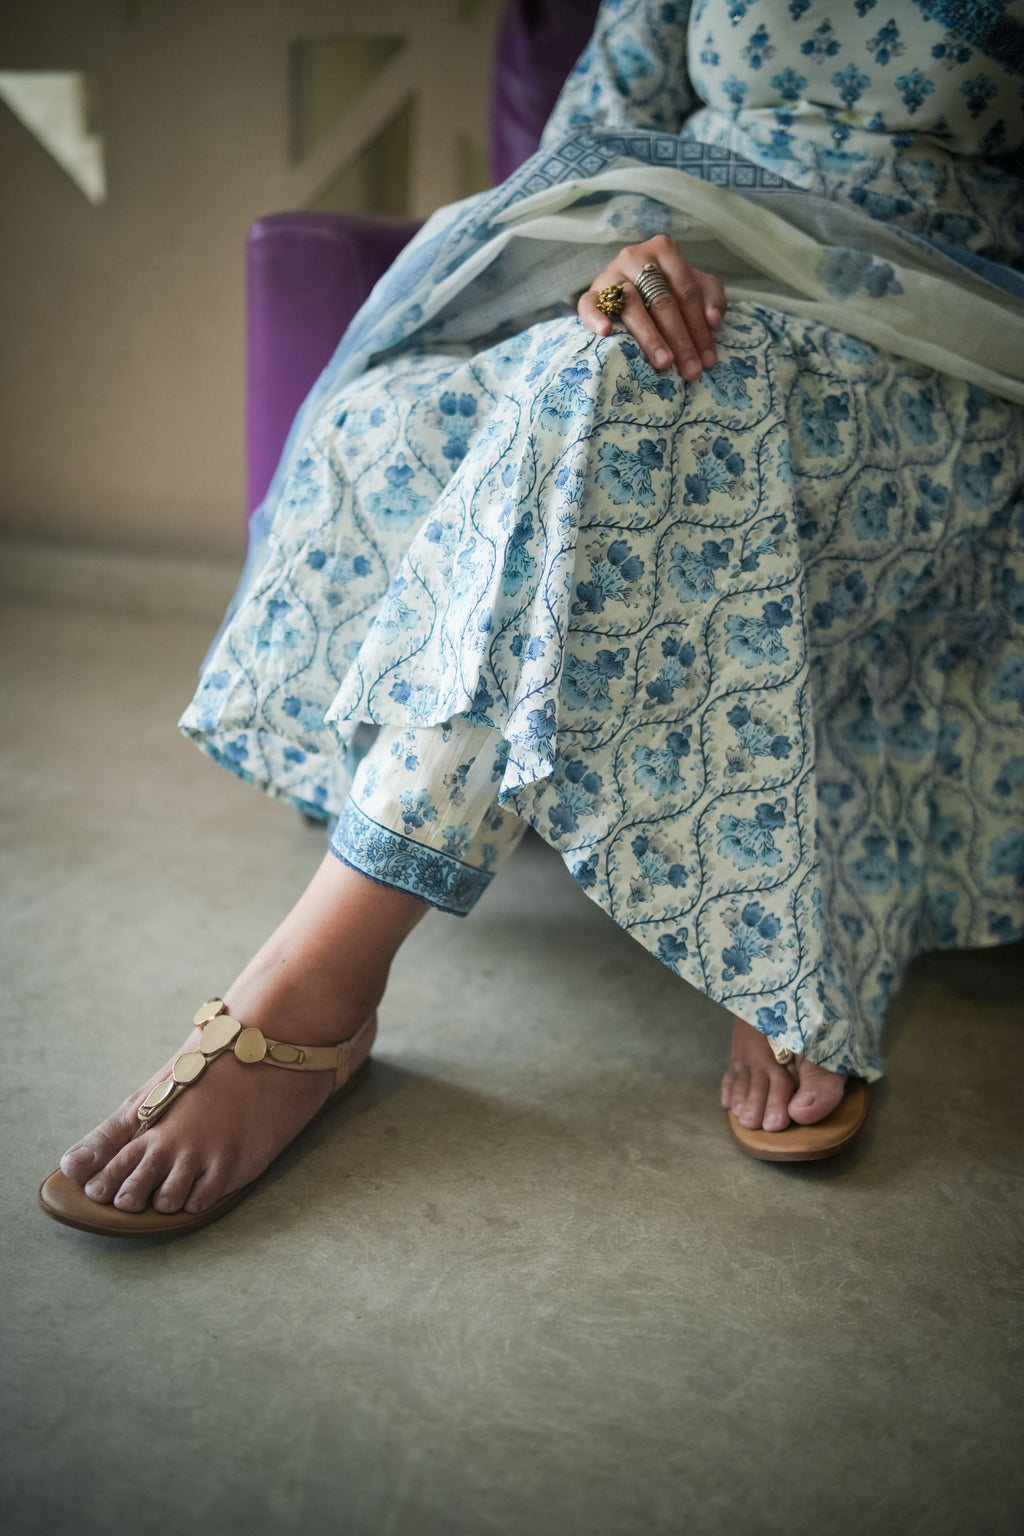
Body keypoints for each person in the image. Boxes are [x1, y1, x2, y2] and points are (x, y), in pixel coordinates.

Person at [39, 0, 1024, 1234]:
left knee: (641, 402)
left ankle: (313, 991)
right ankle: (755, 902)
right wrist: (621, 255)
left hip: (938, 347)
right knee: (435, 409)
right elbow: (588, 149)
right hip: (691, 287)